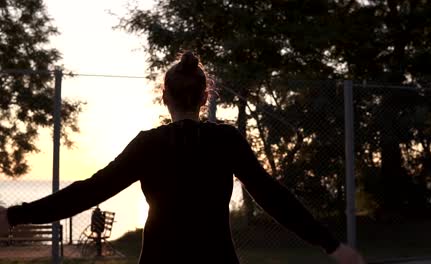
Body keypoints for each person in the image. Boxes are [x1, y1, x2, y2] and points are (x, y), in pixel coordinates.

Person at [0, 51, 366, 264]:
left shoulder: (148, 145)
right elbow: (273, 196)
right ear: (204, 97)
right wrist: (331, 245)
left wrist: (15, 216)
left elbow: (88, 191)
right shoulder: (226, 140)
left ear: (165, 97)